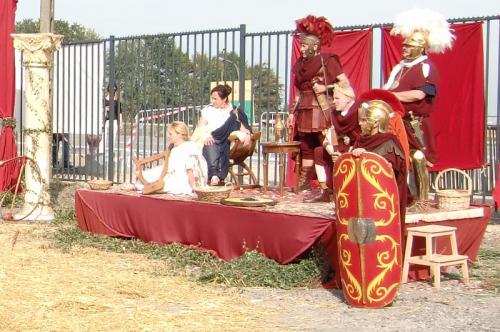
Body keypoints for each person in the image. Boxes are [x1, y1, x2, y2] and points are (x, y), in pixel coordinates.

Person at [383, 8, 454, 207]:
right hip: (397, 121)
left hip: (416, 123)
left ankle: (422, 200)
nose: (404, 48)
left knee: (418, 157)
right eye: (404, 45)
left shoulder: (425, 67)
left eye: (409, 45)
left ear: (421, 48)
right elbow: (387, 90)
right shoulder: (399, 68)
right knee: (396, 157)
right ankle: (401, 197)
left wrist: (392, 96)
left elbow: (420, 94)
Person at [287, 15, 351, 192]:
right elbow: (299, 92)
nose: (302, 48)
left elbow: (344, 83)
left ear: (315, 46)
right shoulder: (300, 65)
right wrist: (292, 113)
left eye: (305, 45)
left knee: (328, 145)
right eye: (301, 45)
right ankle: (305, 182)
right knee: (306, 147)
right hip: (305, 109)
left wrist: (326, 87)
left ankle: (336, 182)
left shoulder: (328, 60)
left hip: (322, 107)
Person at [352, 100, 408, 226]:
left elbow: (386, 176)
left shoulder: (389, 143)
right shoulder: (360, 141)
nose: (360, 123)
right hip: (359, 200)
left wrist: (365, 156)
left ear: (376, 123)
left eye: (364, 120)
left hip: (380, 204)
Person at [304, 84, 359, 203]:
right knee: (319, 151)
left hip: (356, 149)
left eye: (337, 98)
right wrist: (333, 152)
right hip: (339, 149)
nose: (334, 101)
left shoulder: (359, 113)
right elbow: (329, 137)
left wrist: (345, 154)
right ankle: (325, 192)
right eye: (333, 98)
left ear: (348, 98)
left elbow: (363, 139)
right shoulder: (334, 115)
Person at [192, 84, 251, 185]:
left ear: (224, 99)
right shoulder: (208, 110)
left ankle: (215, 175)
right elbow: (200, 127)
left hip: (227, 141)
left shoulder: (234, 112)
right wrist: (206, 135)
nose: (213, 101)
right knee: (210, 142)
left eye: (215, 99)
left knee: (219, 139)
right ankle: (214, 175)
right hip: (210, 138)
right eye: (212, 98)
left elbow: (244, 128)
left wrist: (248, 135)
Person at [135, 121, 208, 196]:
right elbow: (168, 168)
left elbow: (190, 170)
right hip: (173, 176)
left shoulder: (190, 147)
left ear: (179, 134)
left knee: (153, 184)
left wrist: (194, 188)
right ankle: (151, 186)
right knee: (144, 178)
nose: (169, 136)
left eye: (170, 134)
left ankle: (153, 187)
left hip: (182, 181)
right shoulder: (175, 149)